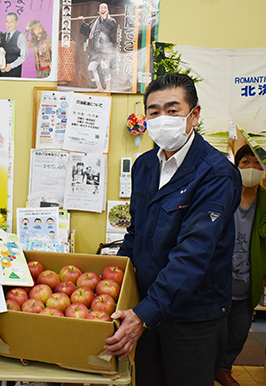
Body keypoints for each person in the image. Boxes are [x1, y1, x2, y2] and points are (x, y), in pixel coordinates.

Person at [104, 73, 242, 385]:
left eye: (172, 110)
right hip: (150, 310)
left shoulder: (216, 174)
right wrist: (114, 283)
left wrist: (142, 315)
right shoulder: (144, 166)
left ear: (194, 115)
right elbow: (135, 234)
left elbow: (193, 254)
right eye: (153, 112)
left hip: (194, 318)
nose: (161, 118)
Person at [216, 144, 266, 386]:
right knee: (213, 332)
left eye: (258, 163)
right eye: (245, 162)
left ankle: (224, 368)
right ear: (236, 166)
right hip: (218, 282)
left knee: (238, 333)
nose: (251, 168)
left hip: (248, 282)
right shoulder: (223, 193)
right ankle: (207, 369)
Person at [79, 3, 117, 92]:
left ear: (108, 10)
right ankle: (99, 86)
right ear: (98, 11)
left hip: (107, 49)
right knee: (91, 67)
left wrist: (104, 17)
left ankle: (108, 87)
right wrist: (82, 22)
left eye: (105, 8)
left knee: (104, 66)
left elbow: (109, 27)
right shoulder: (95, 21)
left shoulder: (111, 20)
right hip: (97, 49)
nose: (103, 9)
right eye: (101, 8)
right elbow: (88, 30)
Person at [0, 12, 28, 77]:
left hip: (15, 72)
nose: (9, 24)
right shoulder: (2, 36)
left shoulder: (21, 36)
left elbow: (24, 56)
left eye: (11, 22)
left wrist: (11, 66)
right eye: (7, 22)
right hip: (2, 72)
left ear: (17, 22)